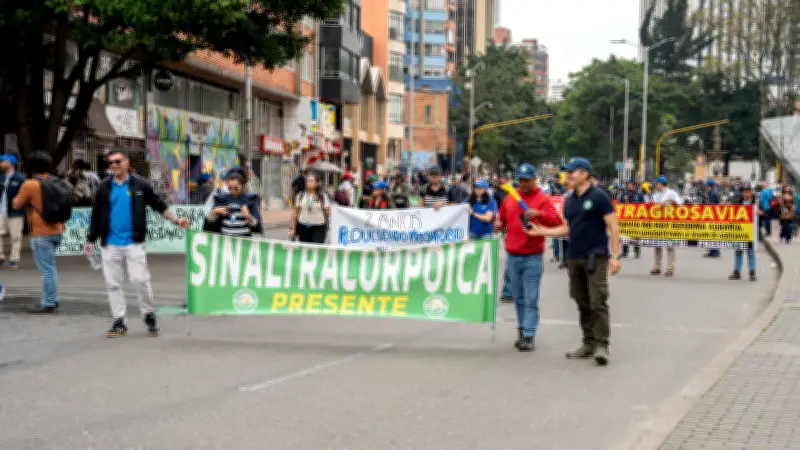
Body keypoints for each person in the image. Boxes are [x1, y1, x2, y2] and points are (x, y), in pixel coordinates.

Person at [526, 157, 621, 366]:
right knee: (581, 300)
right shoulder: (569, 200)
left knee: (598, 301)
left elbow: (613, 226)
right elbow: (567, 228)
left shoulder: (599, 196)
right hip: (574, 257)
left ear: (585, 174)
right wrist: (542, 231)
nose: (568, 175)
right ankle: (588, 343)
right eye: (567, 172)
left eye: (572, 171)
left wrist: (615, 256)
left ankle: (602, 345)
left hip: (595, 256)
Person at [85, 150, 190, 337]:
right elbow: (96, 215)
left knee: (140, 280)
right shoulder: (103, 187)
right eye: (110, 162)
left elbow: (158, 204)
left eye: (117, 161)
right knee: (113, 284)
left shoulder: (141, 185)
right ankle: (119, 321)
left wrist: (176, 220)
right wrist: (90, 239)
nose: (114, 165)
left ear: (126, 162)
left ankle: (148, 314)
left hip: (134, 242)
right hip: (110, 243)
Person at [494, 163, 562, 352]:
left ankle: (529, 335)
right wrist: (498, 225)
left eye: (527, 180)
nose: (523, 184)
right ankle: (522, 330)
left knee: (531, 298)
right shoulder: (510, 198)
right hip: (513, 256)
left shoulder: (543, 199)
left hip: (533, 256)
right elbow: (502, 219)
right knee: (519, 297)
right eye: (521, 180)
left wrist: (540, 214)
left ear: (534, 179)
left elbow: (556, 221)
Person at [12, 152, 66, 313]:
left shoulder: (30, 184)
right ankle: (53, 298)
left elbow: (17, 204)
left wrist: (16, 198)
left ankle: (49, 302)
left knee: (47, 269)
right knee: (50, 267)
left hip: (41, 232)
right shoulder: (55, 181)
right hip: (57, 229)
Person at [205, 170, 262, 237]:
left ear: (242, 185)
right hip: (225, 240)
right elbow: (209, 225)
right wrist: (214, 212)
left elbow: (257, 226)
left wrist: (248, 217)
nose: (233, 190)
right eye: (230, 188)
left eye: (236, 188)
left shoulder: (250, 199)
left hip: (244, 240)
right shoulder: (221, 199)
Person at [650, 176, 683, 277]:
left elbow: (680, 203)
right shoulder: (655, 194)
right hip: (657, 223)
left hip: (668, 224)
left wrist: (670, 202)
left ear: (660, 183)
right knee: (657, 245)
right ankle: (657, 267)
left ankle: (670, 269)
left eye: (657, 183)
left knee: (670, 246)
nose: (655, 185)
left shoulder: (671, 192)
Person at [0, 154, 26, 270]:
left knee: (15, 237)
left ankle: (14, 260)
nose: (1, 163)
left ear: (10, 163)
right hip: (1, 211)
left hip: (15, 213)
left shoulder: (20, 178)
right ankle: (0, 256)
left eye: (3, 161)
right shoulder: (1, 177)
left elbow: (25, 195)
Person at [289, 172, 330, 243]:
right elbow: (294, 213)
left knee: (316, 247)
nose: (309, 183)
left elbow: (327, 213)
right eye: (308, 181)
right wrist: (292, 229)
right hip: (303, 226)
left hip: (319, 226)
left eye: (311, 181)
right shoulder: (300, 195)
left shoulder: (323, 196)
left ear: (317, 183)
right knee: (304, 247)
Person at [730, 185, 757, 281]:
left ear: (751, 192)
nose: (746, 194)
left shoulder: (756, 203)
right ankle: (737, 272)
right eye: (744, 192)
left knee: (750, 252)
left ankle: (752, 273)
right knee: (738, 251)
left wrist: (760, 213)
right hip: (739, 231)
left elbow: (766, 214)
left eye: (747, 191)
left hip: (751, 232)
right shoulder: (737, 201)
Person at [616, 180, 644, 259]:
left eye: (630, 185)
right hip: (626, 218)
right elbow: (619, 203)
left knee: (636, 235)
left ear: (634, 186)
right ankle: (625, 252)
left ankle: (637, 252)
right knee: (625, 235)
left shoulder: (638, 194)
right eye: (628, 185)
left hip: (636, 218)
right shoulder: (624, 194)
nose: (629, 186)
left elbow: (643, 204)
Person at [703, 179, 722, 258]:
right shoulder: (710, 192)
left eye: (706, 185)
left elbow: (713, 205)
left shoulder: (713, 193)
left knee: (714, 234)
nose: (705, 186)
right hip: (711, 215)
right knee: (710, 234)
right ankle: (711, 251)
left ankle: (716, 251)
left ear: (709, 186)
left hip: (714, 216)